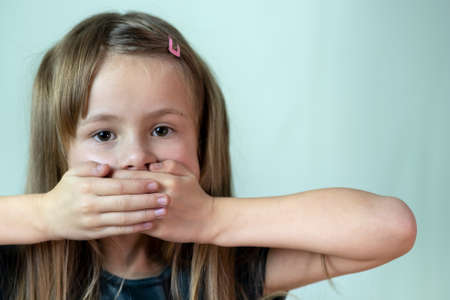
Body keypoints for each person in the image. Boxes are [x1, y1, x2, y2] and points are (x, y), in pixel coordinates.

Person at [0, 10, 417, 300]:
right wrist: (44, 215)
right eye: (104, 133)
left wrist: (213, 219)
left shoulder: (226, 271)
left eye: (162, 130)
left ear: (201, 141)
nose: (136, 157)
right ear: (60, 151)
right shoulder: (18, 266)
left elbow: (390, 226)